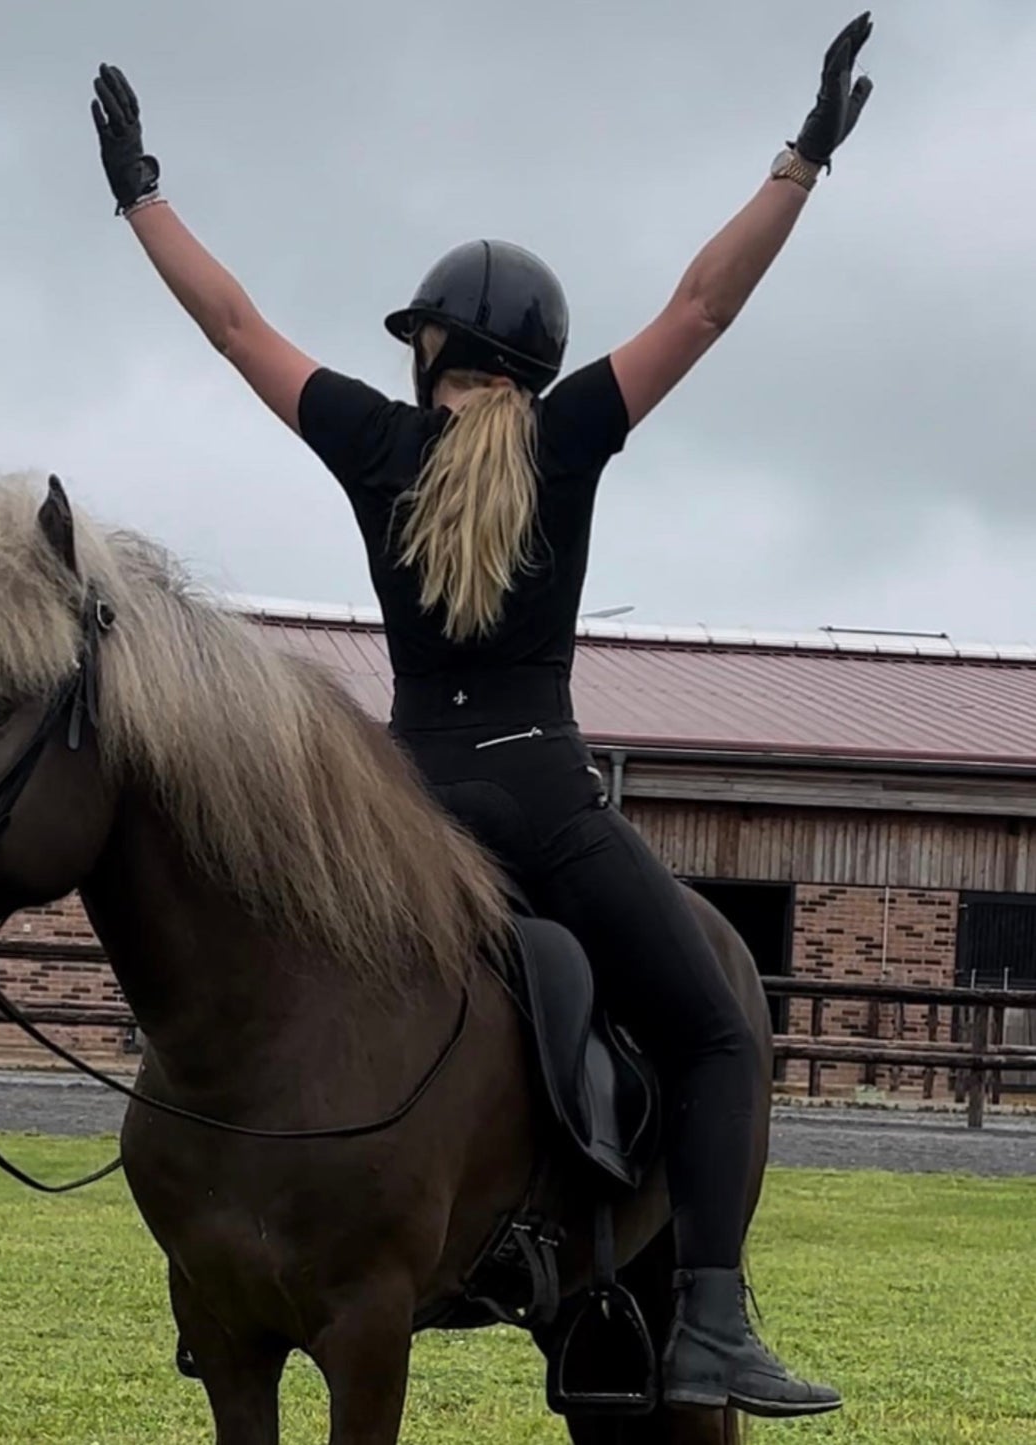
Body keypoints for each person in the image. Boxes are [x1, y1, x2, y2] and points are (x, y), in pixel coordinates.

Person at [89, 13, 874, 1419]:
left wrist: (143, 196)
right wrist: (800, 159)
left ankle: (224, 1278)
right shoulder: (569, 436)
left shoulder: (375, 443)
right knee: (712, 1032)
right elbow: (701, 305)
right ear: (534, 356)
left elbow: (231, 324)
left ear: (427, 352)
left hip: (407, 810)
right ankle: (702, 1318)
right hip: (545, 804)